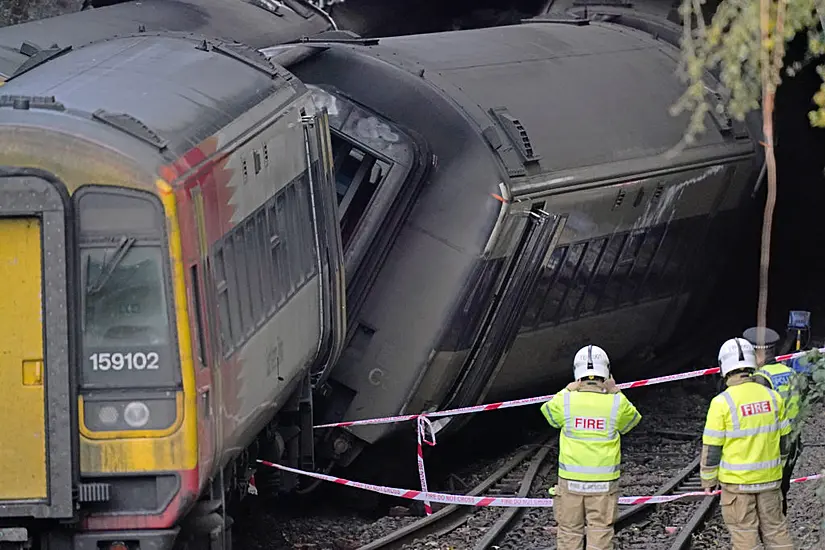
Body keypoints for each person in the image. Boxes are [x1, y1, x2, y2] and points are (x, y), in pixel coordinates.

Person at [540, 345, 641, 550]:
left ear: (577, 374)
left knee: (569, 531)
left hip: (570, 483)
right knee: (600, 530)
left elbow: (548, 413)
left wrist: (567, 389)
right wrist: (616, 391)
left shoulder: (567, 400)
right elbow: (632, 421)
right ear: (606, 373)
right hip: (603, 484)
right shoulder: (615, 403)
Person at [701, 337, 794, 550]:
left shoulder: (721, 402)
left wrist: (708, 480)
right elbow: (785, 441)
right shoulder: (773, 397)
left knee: (745, 537)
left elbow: (712, 448)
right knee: (776, 531)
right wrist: (776, 467)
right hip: (770, 482)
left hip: (738, 486)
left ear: (724, 367)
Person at [743, 327, 802, 516]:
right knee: (783, 487)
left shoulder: (759, 379)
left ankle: (770, 528)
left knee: (767, 492)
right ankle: (780, 522)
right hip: (793, 438)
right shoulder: (790, 372)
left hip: (773, 441)